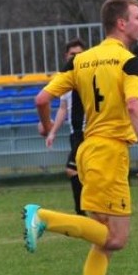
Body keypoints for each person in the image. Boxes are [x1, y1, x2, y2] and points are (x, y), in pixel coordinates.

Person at [24, 0, 138, 275]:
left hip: (87, 151)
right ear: (121, 23)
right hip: (109, 154)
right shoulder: (129, 62)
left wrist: (44, 126)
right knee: (117, 238)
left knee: (104, 241)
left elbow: (42, 99)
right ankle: (45, 217)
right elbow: (133, 104)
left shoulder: (80, 61)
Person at [45, 37, 87, 215]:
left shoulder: (89, 75)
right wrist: (52, 132)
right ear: (66, 56)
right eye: (72, 54)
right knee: (82, 171)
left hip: (88, 131)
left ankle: (82, 210)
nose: (76, 57)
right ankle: (87, 209)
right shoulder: (65, 79)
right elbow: (63, 108)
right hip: (75, 133)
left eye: (80, 54)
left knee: (72, 169)